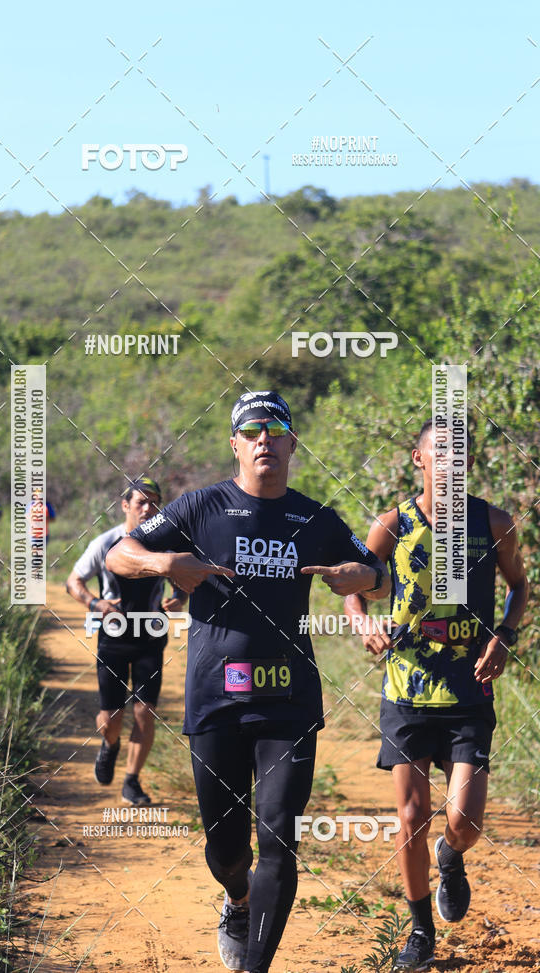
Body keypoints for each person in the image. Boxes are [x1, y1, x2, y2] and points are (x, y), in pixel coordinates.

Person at [106, 391, 390, 973]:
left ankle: (256, 964)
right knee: (227, 848)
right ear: (235, 444)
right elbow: (120, 554)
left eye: (276, 428)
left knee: (280, 834)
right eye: (252, 430)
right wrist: (166, 564)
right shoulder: (198, 507)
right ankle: (237, 898)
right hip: (216, 700)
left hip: (289, 700)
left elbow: (378, 575)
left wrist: (355, 576)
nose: (265, 439)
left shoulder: (316, 518)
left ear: (291, 443)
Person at [344, 420, 528, 971]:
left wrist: (505, 634)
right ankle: (419, 930)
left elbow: (520, 584)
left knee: (466, 820)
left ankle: (451, 858)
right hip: (406, 686)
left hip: (469, 686)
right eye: (438, 455)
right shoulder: (394, 523)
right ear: (418, 461)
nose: (449, 464)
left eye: (459, 456)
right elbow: (357, 583)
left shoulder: (493, 522)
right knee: (411, 816)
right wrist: (362, 625)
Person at [66, 476, 186, 807]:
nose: (148, 508)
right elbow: (74, 580)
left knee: (145, 713)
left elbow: (182, 581)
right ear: (125, 506)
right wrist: (95, 604)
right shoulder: (105, 543)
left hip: (151, 636)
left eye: (154, 502)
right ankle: (110, 745)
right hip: (114, 638)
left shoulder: (166, 544)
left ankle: (132, 781)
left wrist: (179, 598)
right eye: (141, 502)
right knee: (111, 718)